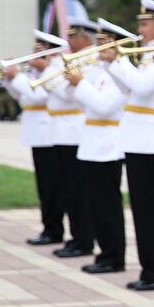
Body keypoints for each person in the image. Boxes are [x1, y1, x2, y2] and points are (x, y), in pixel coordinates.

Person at [107, 0, 154, 293]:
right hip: (138, 136)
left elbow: (141, 86)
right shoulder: (149, 51)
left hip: (151, 138)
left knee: (150, 208)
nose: (139, 28)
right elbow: (130, 87)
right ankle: (150, 268)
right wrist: (115, 65)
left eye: (144, 23)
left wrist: (118, 59)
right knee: (141, 208)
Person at [64, 20, 130, 275]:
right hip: (92, 140)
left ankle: (114, 256)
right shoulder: (100, 70)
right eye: (100, 42)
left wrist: (80, 84)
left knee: (108, 206)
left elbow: (104, 106)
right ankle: (104, 253)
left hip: (109, 142)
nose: (99, 48)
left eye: (105, 43)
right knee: (95, 204)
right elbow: (79, 101)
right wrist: (74, 83)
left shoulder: (119, 73)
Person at [4, 29, 66, 246]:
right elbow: (20, 96)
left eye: (39, 50)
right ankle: (49, 226)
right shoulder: (37, 73)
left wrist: (18, 76)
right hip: (36, 132)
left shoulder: (54, 70)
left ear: (50, 51)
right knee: (44, 186)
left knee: (52, 187)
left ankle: (54, 229)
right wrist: (10, 78)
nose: (33, 54)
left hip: (47, 133)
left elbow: (37, 96)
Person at [46, 21, 94, 260]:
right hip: (62, 132)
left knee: (78, 192)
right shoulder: (72, 61)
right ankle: (76, 237)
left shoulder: (87, 62)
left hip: (75, 131)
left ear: (86, 38)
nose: (70, 42)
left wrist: (54, 74)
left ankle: (83, 239)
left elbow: (69, 96)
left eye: (74, 37)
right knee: (68, 190)